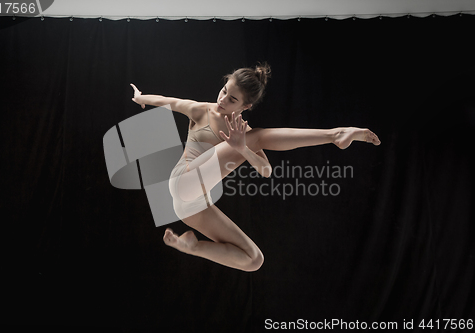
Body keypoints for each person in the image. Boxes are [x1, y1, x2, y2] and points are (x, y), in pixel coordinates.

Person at [130, 62, 380, 272]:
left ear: (245, 107)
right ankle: (335, 134)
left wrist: (242, 149)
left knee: (253, 260)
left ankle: (192, 247)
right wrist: (140, 98)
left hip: (190, 205)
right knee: (258, 136)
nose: (222, 99)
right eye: (224, 90)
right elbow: (167, 101)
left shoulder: (243, 134)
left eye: (232, 99)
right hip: (182, 179)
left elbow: (265, 170)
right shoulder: (201, 110)